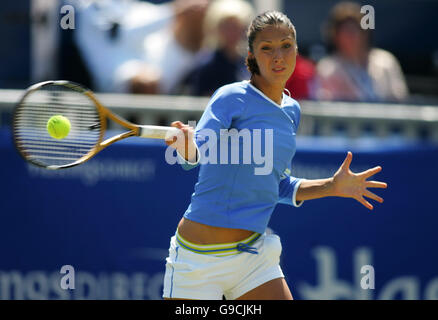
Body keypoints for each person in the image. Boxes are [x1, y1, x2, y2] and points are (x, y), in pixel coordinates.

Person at [163, 11, 387, 300]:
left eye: (286, 45)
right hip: (199, 260)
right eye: (266, 48)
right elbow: (197, 149)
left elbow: (277, 184)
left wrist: (331, 186)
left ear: (296, 50)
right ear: (252, 56)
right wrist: (186, 147)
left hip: (253, 258)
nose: (278, 56)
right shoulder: (231, 97)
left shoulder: (292, 111)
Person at [316, 1, 409, 102]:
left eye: (355, 29)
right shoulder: (327, 68)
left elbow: (400, 98)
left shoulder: (386, 61)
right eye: (346, 31)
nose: (351, 36)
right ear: (336, 36)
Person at [185, 0, 254, 96]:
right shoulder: (206, 64)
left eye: (236, 27)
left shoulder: (248, 64)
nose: (232, 33)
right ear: (216, 28)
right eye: (227, 27)